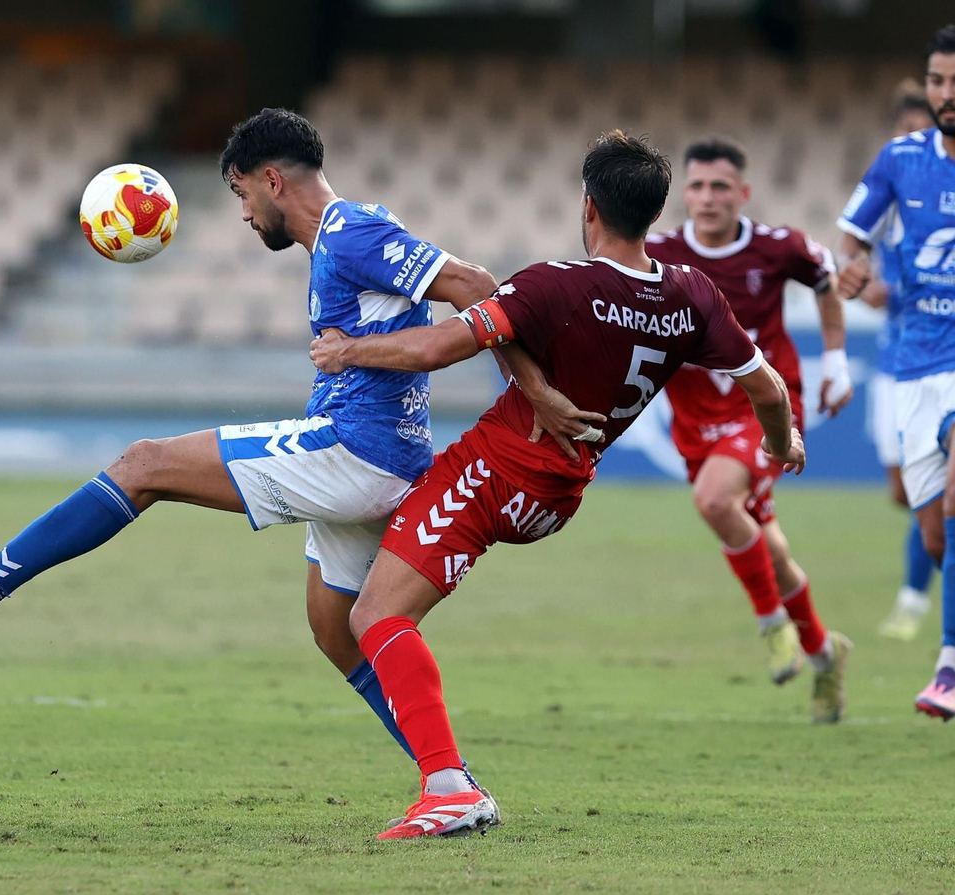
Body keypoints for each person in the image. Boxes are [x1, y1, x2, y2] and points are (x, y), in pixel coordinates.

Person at [0, 108, 597, 758]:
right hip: (382, 461)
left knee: (144, 463)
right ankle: (450, 782)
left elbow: (478, 287)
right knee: (335, 631)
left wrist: (534, 391)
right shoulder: (343, 240)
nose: (245, 215)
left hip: (355, 451)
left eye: (241, 194)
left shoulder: (353, 233)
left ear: (273, 181)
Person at [307, 130, 808, 838]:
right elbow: (766, 387)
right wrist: (783, 443)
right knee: (378, 582)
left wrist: (346, 350)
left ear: (589, 207)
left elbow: (435, 347)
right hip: (558, 495)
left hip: (495, 471)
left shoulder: (557, 284)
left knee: (376, 618)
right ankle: (444, 778)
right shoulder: (691, 294)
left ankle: (449, 787)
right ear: (656, 213)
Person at [644, 137, 851, 716]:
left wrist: (835, 362)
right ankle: (823, 653)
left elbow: (826, 278)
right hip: (694, 421)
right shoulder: (655, 251)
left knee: (714, 501)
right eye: (697, 186)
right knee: (772, 549)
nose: (707, 198)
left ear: (743, 193)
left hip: (767, 409)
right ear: (681, 193)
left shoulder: (776, 247)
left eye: (719, 187)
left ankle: (771, 626)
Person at [837, 25, 955, 719]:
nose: (947, 94)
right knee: (935, 534)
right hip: (914, 364)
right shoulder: (901, 161)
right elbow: (852, 235)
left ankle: (946, 666)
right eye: (938, 81)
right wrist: (852, 265)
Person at [864, 83, 940, 641]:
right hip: (894, 361)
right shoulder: (887, 200)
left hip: (940, 362)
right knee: (904, 493)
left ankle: (913, 602)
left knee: (930, 497)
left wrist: (892, 294)